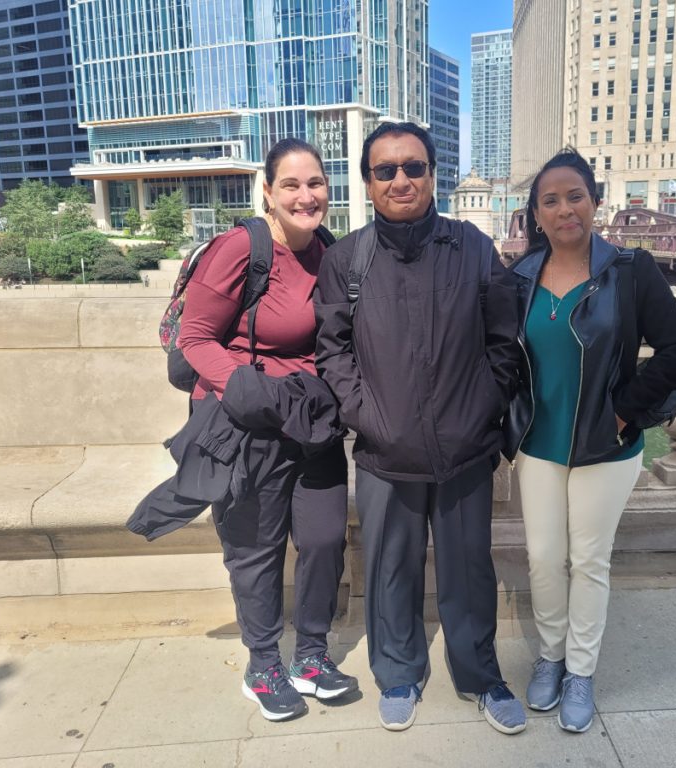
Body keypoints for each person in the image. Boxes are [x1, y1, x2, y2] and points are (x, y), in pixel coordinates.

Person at [314, 122, 526, 734]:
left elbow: (503, 339)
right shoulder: (346, 259)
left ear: (432, 174)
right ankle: (399, 672)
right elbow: (334, 353)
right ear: (368, 181)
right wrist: (368, 417)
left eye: (414, 167)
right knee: (388, 567)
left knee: (469, 569)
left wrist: (482, 406)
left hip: (465, 447)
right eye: (386, 170)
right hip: (383, 451)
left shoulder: (472, 248)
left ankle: (481, 675)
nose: (401, 179)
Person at [504, 149, 676, 733]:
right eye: (550, 200)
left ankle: (581, 671)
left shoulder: (631, 270)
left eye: (575, 196)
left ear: (595, 202)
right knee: (543, 558)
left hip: (606, 447)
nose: (564, 209)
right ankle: (551, 655)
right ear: (535, 214)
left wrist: (625, 412)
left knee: (588, 560)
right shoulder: (518, 279)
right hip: (537, 442)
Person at [176, 138, 357, 722]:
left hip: (311, 422)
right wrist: (249, 391)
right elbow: (195, 338)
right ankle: (262, 664)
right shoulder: (240, 249)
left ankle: (309, 655)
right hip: (248, 423)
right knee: (255, 549)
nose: (307, 196)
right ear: (269, 193)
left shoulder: (329, 251)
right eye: (292, 185)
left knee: (326, 538)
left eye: (316, 183)